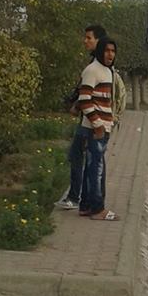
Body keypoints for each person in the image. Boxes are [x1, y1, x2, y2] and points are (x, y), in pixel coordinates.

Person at [58, 23, 107, 210]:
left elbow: (88, 93)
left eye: (89, 38)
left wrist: (78, 106)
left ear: (98, 40)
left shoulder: (97, 66)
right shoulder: (97, 63)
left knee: (84, 156)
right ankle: (89, 198)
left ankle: (78, 197)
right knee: (92, 158)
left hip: (92, 120)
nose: (85, 41)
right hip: (92, 119)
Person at [78, 38, 119, 221]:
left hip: (103, 126)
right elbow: (84, 100)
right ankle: (97, 209)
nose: (110, 54)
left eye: (113, 51)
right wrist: (98, 124)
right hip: (96, 129)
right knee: (97, 170)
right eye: (107, 50)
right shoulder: (93, 70)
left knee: (91, 168)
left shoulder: (106, 71)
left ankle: (86, 206)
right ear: (100, 51)